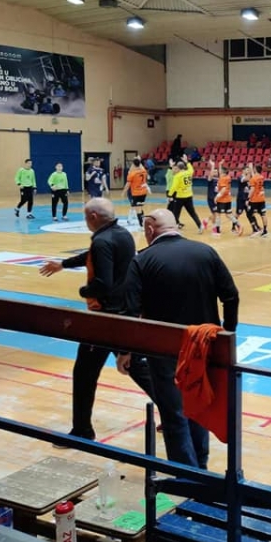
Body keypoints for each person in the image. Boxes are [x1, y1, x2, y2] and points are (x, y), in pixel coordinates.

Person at [118, 209, 239, 469]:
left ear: (150, 230)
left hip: (163, 348)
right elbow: (231, 296)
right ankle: (200, 468)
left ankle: (186, 475)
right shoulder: (206, 252)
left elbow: (130, 311)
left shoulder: (142, 260)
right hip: (203, 344)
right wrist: (227, 334)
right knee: (198, 404)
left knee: (173, 413)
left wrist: (125, 351)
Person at [39, 198, 154, 443]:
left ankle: (82, 430)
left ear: (92, 217)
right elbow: (93, 256)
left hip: (104, 319)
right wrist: (63, 264)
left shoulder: (102, 241)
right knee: (136, 368)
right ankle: (176, 411)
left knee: (84, 373)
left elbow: (103, 284)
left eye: (85, 217)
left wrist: (84, 291)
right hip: (124, 314)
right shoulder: (122, 234)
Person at [168, 158, 203, 233]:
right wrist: (187, 162)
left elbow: (174, 187)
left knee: (176, 213)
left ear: (178, 168)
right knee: (192, 213)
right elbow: (191, 169)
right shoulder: (189, 172)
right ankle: (200, 225)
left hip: (180, 197)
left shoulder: (177, 176)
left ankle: (175, 229)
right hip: (189, 196)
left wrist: (170, 195)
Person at [213, 164, 243, 236]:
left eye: (220, 171)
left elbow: (223, 189)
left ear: (222, 172)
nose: (218, 171)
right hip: (228, 199)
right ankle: (239, 225)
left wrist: (217, 197)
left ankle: (217, 231)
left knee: (218, 214)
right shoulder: (228, 177)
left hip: (222, 200)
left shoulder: (223, 179)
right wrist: (220, 164)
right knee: (228, 214)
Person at [125, 157, 149, 227]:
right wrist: (138, 160)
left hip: (137, 191)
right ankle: (132, 220)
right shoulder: (132, 172)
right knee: (135, 206)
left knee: (137, 207)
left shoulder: (138, 171)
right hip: (132, 190)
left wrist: (138, 161)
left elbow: (140, 167)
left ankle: (135, 220)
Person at [249, 164, 271, 238]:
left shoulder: (253, 178)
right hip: (261, 199)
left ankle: (256, 229)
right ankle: (265, 231)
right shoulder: (262, 177)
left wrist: (248, 198)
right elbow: (256, 179)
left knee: (250, 214)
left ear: (255, 169)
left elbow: (252, 189)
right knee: (263, 214)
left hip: (254, 200)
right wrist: (251, 169)